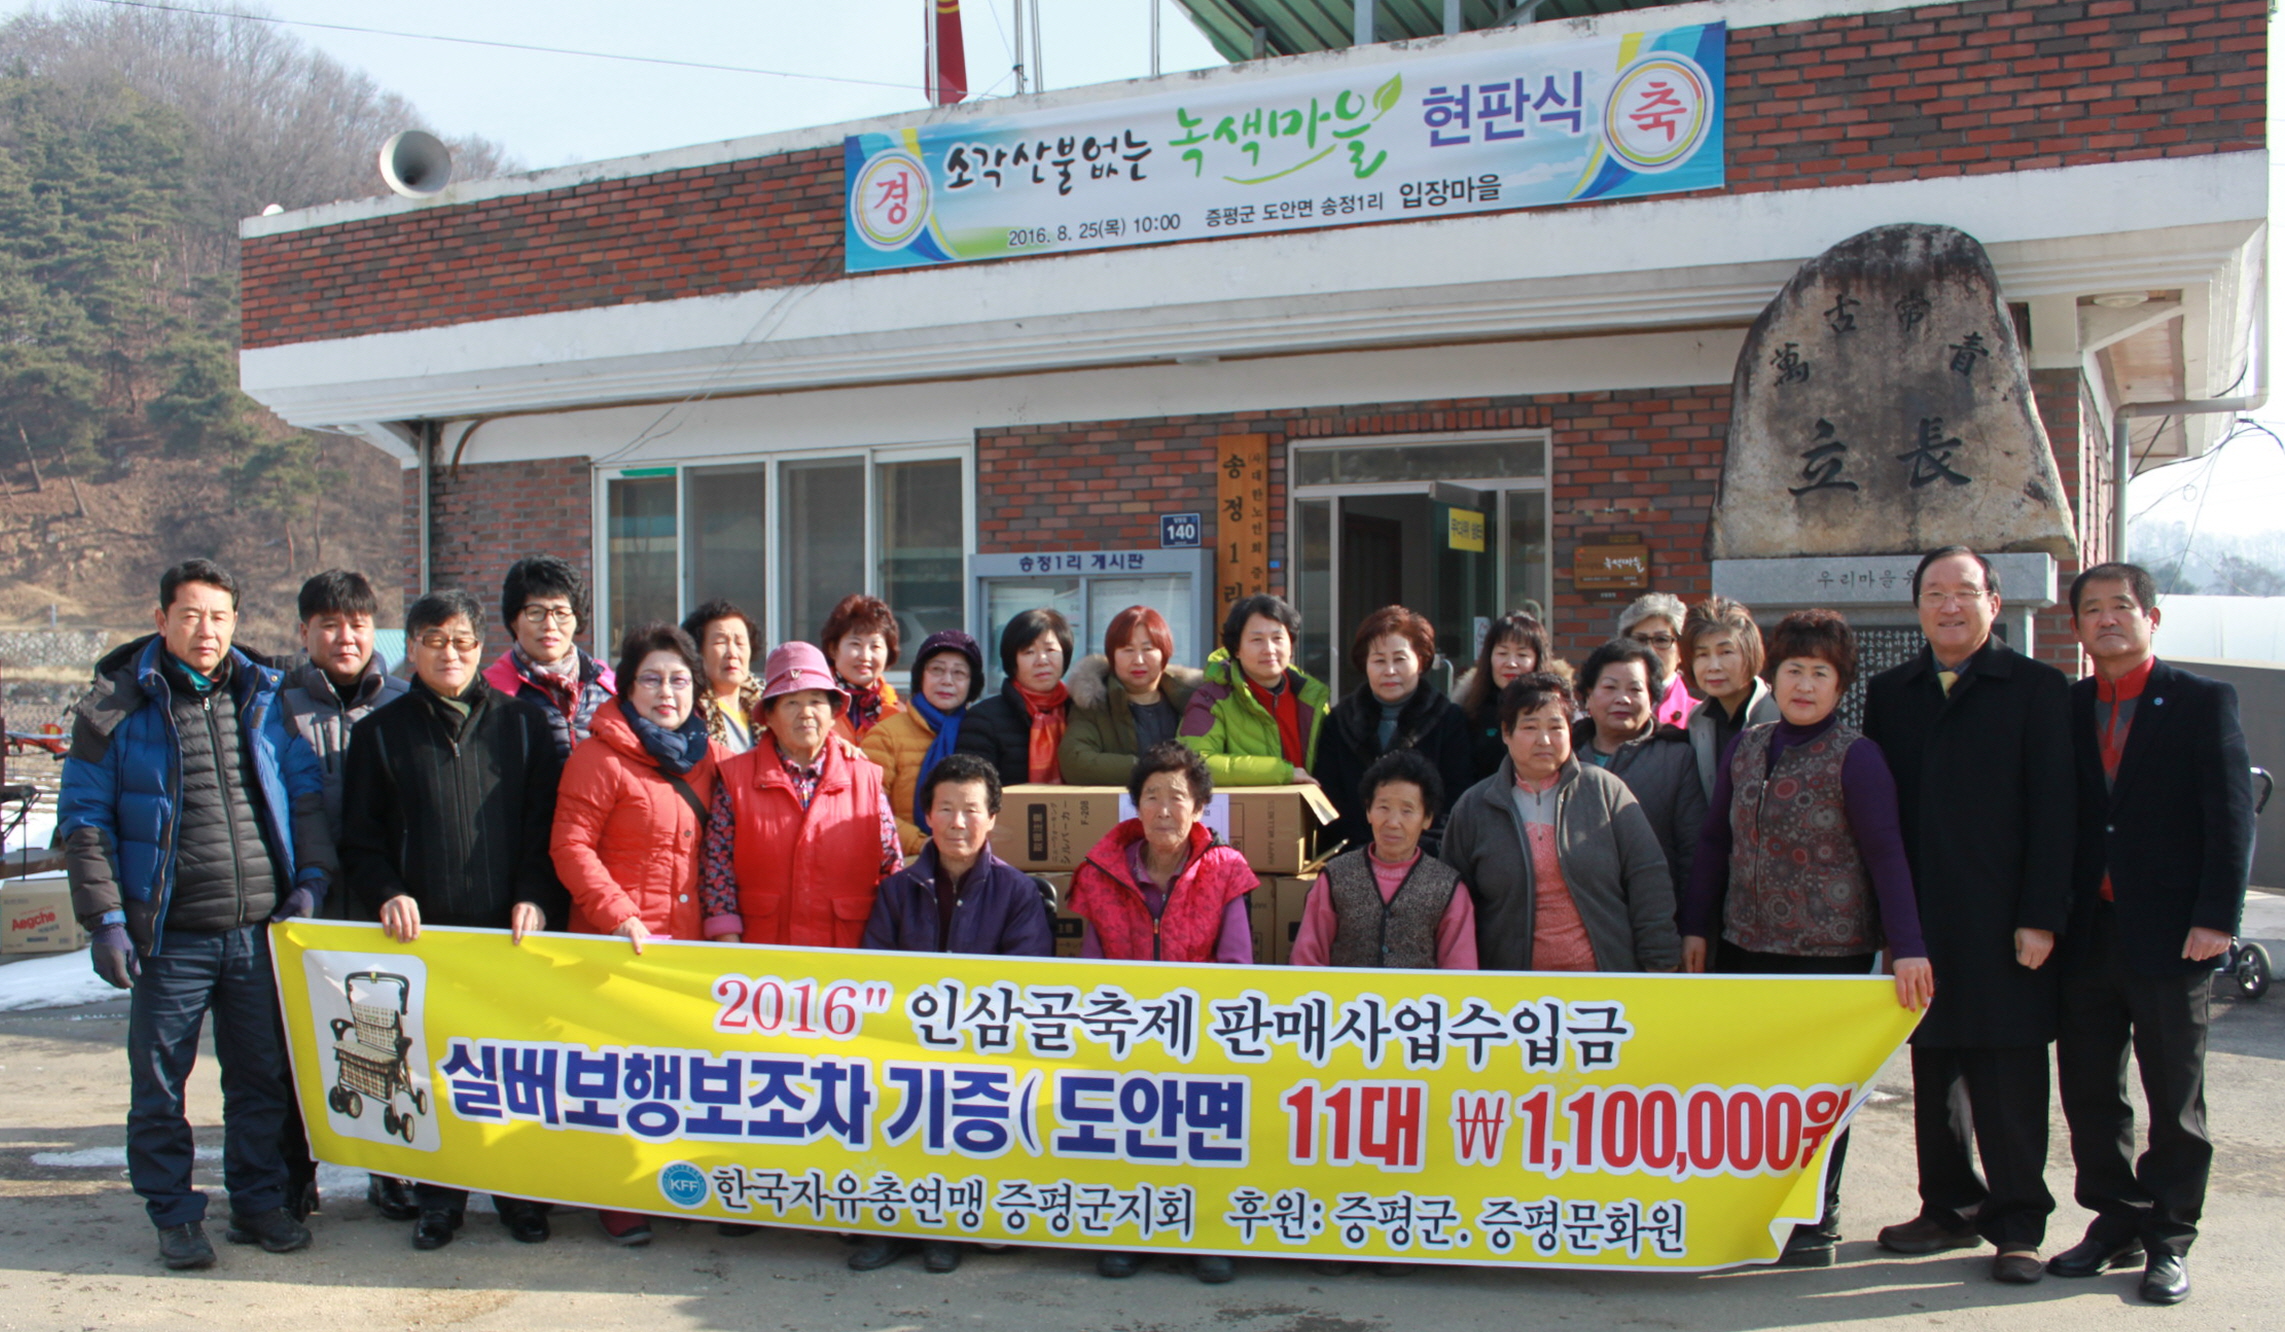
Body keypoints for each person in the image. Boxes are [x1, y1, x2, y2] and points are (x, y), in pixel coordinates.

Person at [60, 559, 336, 1270]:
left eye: (218, 616)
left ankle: (257, 1201)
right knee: (158, 1084)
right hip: (170, 937)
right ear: (161, 620)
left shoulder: (264, 696)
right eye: (190, 615)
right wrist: (107, 922)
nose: (205, 630)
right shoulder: (113, 709)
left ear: (235, 623)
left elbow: (302, 795)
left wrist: (309, 882)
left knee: (260, 1079)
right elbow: (85, 823)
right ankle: (175, 1214)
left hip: (255, 934)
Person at [1679, 609, 1933, 1267]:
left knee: (1820, 1093)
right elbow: (1713, 842)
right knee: (1754, 1089)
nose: (1804, 684)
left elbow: (1886, 853)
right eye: (1794, 669)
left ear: (1839, 685)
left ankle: (1816, 1219)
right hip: (1743, 942)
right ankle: (1755, 1209)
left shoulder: (1858, 757)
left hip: (1830, 953)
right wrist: (1694, 928)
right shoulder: (1746, 744)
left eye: (1820, 673)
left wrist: (1906, 946)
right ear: (1774, 673)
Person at [1862, 546, 2074, 1284]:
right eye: (1933, 593)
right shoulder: (1891, 692)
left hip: (2008, 916)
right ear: (1915, 605)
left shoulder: (2039, 689)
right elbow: (1880, 820)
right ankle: (1947, 1205)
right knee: (1935, 1065)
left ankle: (2017, 1224)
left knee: (2009, 1071)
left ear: (1993, 600)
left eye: (1963, 592)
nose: (1948, 607)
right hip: (1922, 920)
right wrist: (1890, 925)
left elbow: (2057, 812)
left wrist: (2042, 913)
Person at [2047, 563, 2254, 1305]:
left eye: (2121, 607)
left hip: (2172, 935)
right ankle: (2114, 1221)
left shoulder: (2200, 702)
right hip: (2086, 934)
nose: (2106, 620)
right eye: (2091, 610)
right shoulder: (2068, 708)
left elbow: (2231, 817)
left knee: (2174, 1095)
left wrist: (2215, 918)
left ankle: (2168, 1237)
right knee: (2090, 1091)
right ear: (2075, 628)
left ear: (2150, 619)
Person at [340, 588, 565, 1251]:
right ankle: (440, 1201)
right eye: (434, 641)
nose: (450, 654)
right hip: (424, 942)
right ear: (409, 649)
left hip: (509, 936)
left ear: (482, 648)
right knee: (432, 1076)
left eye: (463, 641)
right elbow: (360, 837)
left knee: (510, 1073)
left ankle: (520, 1198)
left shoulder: (524, 725)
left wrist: (535, 894)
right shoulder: (379, 734)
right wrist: (385, 892)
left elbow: (544, 827)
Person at [854, 751, 1054, 1275]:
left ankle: (946, 1223)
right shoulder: (899, 889)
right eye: (945, 809)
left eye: (970, 809)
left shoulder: (1018, 892)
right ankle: (892, 1223)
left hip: (982, 1049)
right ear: (926, 815)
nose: (957, 822)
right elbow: (875, 974)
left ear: (992, 817)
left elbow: (1024, 983)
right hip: (904, 1044)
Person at [552, 622, 718, 1247]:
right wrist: (617, 913)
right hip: (617, 947)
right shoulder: (599, 755)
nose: (665, 692)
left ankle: (675, 1186)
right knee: (623, 1079)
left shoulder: (708, 757)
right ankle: (620, 1197)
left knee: (682, 1076)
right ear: (626, 688)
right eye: (651, 679)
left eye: (679, 680)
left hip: (689, 949)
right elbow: (570, 845)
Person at [1068, 741, 1257, 1283]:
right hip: (1124, 1034)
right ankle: (1131, 1230)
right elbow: (1091, 967)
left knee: (1204, 1135)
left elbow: (1237, 964)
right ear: (1136, 806)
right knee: (1128, 1132)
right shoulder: (1100, 870)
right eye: (1151, 796)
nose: (1165, 809)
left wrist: (1197, 1029)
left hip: (1201, 1036)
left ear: (1200, 808)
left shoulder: (1225, 869)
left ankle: (1208, 1236)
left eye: (1178, 796)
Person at [274, 568, 412, 1223]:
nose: (345, 635)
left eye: (357, 623)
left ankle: (393, 1172)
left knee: (384, 1038)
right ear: (305, 632)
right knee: (294, 1046)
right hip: (302, 904)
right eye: (329, 623)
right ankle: (293, 1176)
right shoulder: (275, 707)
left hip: (384, 902)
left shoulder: (402, 704)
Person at [1440, 673, 1678, 973]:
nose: (1544, 740)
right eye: (1529, 727)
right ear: (1506, 733)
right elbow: (1452, 903)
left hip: (1606, 983)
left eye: (1556, 727)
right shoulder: (1474, 807)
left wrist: (1660, 964)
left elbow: (1649, 879)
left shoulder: (1606, 791)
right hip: (1511, 993)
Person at [701, 642, 902, 945]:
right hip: (760, 957)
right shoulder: (735, 778)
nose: (806, 713)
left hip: (849, 959)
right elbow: (717, 868)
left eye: (816, 701)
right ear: (769, 714)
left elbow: (891, 869)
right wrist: (728, 941)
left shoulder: (867, 779)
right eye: (791, 703)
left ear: (834, 712)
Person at [1309, 606, 1474, 856]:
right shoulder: (1340, 721)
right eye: (1378, 660)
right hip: (1353, 857)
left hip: (1429, 859)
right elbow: (1329, 799)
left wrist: (1418, 851)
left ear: (1421, 660)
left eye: (1399, 659)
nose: (1390, 671)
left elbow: (1457, 798)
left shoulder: (1448, 719)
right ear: (1365, 663)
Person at [1290, 749, 1476, 969]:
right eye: (1383, 808)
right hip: (1345, 1001)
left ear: (1427, 819)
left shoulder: (1448, 887)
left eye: (1407, 811)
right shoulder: (1336, 876)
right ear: (1368, 811)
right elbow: (1307, 959)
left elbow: (1460, 972)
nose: (1393, 822)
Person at [1573, 638, 1705, 893]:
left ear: (1653, 699)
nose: (1622, 699)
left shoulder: (1678, 758)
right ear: (1588, 696)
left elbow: (1694, 852)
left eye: (1635, 689)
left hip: (1658, 911)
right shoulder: (1564, 756)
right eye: (1610, 687)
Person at [1179, 593, 1330, 787]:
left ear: (1291, 646)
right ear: (1236, 650)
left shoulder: (1310, 696)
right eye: (1257, 640)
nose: (1269, 649)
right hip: (1247, 813)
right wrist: (1280, 772)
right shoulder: (1212, 698)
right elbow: (1193, 763)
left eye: (1277, 638)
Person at [864, 630, 985, 856]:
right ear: (921, 676)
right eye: (937, 670)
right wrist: (923, 845)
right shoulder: (884, 736)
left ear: (972, 684)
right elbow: (869, 808)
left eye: (959, 673)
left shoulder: (979, 732)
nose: (947, 680)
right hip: (904, 862)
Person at [484, 555, 615, 757]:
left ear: (577, 618)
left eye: (561, 613)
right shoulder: (490, 692)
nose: (550, 626)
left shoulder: (606, 685)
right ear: (513, 620)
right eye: (535, 612)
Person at [1061, 605, 1205, 786]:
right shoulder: (1093, 701)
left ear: (1165, 653)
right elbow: (1076, 762)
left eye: (1148, 649)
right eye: (1128, 650)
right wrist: (1149, 768)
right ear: (1112, 655)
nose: (1138, 660)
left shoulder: (1192, 699)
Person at [956, 608, 1074, 788]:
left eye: (1050, 649)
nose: (1042, 660)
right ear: (1012, 661)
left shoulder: (1081, 710)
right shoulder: (983, 719)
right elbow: (971, 790)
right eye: (1028, 652)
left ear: (1065, 654)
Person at [1679, 596, 1778, 798]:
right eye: (1702, 655)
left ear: (1750, 653)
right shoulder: (1697, 719)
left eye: (1726, 652)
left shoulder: (1779, 712)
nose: (1714, 666)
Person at [1454, 611, 1557, 783]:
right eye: (1502, 653)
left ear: (1537, 660)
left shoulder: (1556, 709)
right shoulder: (1469, 709)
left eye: (1522, 655)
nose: (1511, 663)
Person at [821, 593, 904, 744]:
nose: (865, 656)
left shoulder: (897, 713)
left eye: (875, 646)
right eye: (855, 644)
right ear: (833, 649)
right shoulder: (815, 704)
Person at [682, 599, 762, 755]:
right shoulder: (688, 710)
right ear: (698, 650)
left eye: (740, 643)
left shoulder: (767, 707)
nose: (732, 653)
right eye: (720, 642)